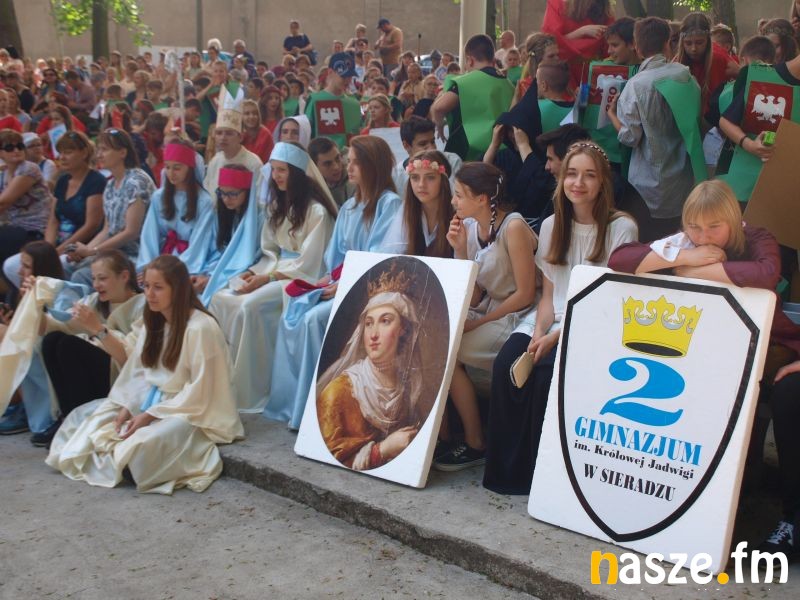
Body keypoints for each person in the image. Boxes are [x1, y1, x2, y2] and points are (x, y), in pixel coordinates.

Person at [605, 179, 800, 553]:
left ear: (732, 220)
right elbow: (621, 259)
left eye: (714, 227)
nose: (703, 235)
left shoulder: (757, 236)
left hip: (770, 348)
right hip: (708, 351)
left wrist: (688, 272)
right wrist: (684, 257)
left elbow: (766, 274)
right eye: (694, 226)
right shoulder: (685, 243)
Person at [484, 142, 637, 493]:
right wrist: (539, 333)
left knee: (545, 375)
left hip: (595, 323)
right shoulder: (552, 225)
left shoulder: (622, 228)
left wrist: (554, 338)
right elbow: (549, 295)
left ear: (603, 182)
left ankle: (546, 479)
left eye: (589, 175)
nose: (578, 183)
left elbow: (609, 302)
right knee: (507, 364)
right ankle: (509, 476)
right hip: (551, 317)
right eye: (572, 174)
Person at [46, 255, 244, 494]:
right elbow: (140, 371)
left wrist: (149, 415)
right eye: (147, 286)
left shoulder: (201, 327)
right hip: (153, 401)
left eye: (158, 287)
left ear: (178, 289)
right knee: (91, 422)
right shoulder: (154, 322)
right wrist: (128, 405)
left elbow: (202, 389)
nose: (149, 294)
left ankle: (134, 463)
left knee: (140, 446)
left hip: (189, 409)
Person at [266, 136, 402, 430]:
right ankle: (297, 404)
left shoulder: (389, 204)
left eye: (354, 162)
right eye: (347, 161)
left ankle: (319, 410)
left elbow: (382, 257)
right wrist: (323, 283)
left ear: (372, 166)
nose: (347, 168)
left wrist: (344, 285)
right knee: (294, 309)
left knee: (314, 320)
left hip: (371, 290)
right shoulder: (350, 207)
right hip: (344, 282)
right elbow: (335, 259)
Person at [209, 144, 337, 412]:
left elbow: (311, 263)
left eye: (282, 170)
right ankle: (223, 383)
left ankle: (252, 389)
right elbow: (271, 250)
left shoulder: (317, 212)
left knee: (249, 306)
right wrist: (255, 272)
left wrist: (268, 279)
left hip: (299, 279)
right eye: (274, 169)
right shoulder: (277, 205)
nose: (276, 176)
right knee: (221, 298)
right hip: (273, 270)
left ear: (297, 173)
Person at [433, 162, 537, 471]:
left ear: (482, 199)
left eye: (459, 195)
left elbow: (525, 293)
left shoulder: (513, 227)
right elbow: (475, 294)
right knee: (435, 340)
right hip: (488, 306)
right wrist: (460, 251)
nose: (454, 201)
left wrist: (477, 323)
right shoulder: (469, 227)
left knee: (452, 353)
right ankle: (442, 435)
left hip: (518, 314)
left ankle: (475, 441)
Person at [315, 267, 426, 470]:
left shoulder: (407, 387)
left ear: (403, 329)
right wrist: (381, 451)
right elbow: (327, 457)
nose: (373, 334)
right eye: (368, 323)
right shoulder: (338, 392)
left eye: (385, 321)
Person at [606, 17, 698, 242]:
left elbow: (630, 137)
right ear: (668, 43)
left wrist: (612, 116)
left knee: (650, 244)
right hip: (683, 178)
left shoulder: (636, 85)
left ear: (637, 47)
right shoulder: (684, 75)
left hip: (648, 187)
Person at [38, 250, 144, 446]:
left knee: (69, 346)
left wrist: (98, 330)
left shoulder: (142, 305)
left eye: (102, 278)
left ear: (124, 276)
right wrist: (34, 304)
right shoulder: (94, 301)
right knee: (52, 340)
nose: (96, 284)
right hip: (99, 369)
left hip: (124, 378)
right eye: (94, 278)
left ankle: (81, 422)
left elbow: (130, 360)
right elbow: (52, 325)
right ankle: (69, 419)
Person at [65, 129, 155, 286]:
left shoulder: (136, 182)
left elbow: (131, 232)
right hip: (114, 254)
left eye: (104, 149)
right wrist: (85, 251)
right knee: (66, 266)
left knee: (81, 276)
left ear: (122, 153)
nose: (99, 155)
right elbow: (107, 230)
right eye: (98, 149)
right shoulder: (111, 185)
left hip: (136, 256)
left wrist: (93, 251)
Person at [0, 240, 66, 437]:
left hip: (50, 353)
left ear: (42, 268)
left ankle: (24, 406)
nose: (19, 271)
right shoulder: (25, 289)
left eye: (26, 266)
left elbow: (53, 328)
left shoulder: (61, 292)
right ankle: (19, 402)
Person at [718, 49, 800, 202]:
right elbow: (726, 121)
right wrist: (749, 144)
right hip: (746, 189)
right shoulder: (764, 77)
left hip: (789, 195)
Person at [137, 140, 216, 277]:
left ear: (190, 168)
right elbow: (149, 235)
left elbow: (199, 242)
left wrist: (176, 270)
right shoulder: (159, 197)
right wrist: (148, 266)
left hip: (189, 263)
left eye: (177, 168)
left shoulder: (204, 201)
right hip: (161, 259)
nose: (171, 173)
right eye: (167, 167)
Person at [431, 34, 515, 161]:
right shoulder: (509, 84)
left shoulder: (466, 82)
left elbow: (438, 107)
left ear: (469, 60)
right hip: (505, 151)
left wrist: (440, 125)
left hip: (471, 154)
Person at [0, 129, 53, 292]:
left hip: (35, 229)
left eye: (20, 146)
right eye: (9, 148)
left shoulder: (29, 169)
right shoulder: (3, 174)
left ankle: (14, 296)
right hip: (15, 228)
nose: (16, 150)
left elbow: (3, 202)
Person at [381, 149, 454, 259]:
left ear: (443, 181)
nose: (421, 184)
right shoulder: (408, 211)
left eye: (430, 177)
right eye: (415, 177)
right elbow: (393, 255)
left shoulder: (457, 213)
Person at [675, 12, 739, 115]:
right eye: (688, 43)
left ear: (708, 41)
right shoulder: (676, 62)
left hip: (716, 117)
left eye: (699, 42)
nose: (694, 48)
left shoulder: (719, 58)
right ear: (682, 43)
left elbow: (744, 76)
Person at [541, 0, 615, 87]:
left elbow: (611, 44)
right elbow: (551, 42)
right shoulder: (557, 4)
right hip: (565, 73)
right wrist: (581, 32)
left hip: (594, 74)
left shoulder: (604, 7)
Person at [203, 89, 263, 195]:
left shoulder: (253, 163)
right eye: (219, 133)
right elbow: (207, 192)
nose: (223, 138)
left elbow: (257, 197)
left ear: (240, 137)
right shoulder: (215, 161)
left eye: (229, 133)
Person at [392, 116, 463, 197]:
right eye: (423, 144)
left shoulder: (452, 161)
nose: (431, 148)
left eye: (433, 142)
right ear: (406, 146)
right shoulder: (397, 175)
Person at [304, 52, 362, 148]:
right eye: (343, 76)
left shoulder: (354, 103)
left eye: (350, 76)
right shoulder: (315, 100)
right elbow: (307, 133)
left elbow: (357, 133)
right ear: (330, 72)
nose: (347, 80)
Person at [513, 33, 560, 104]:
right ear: (538, 60)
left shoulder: (562, 79)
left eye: (557, 55)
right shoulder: (526, 86)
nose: (557, 58)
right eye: (551, 56)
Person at [308, 136, 355, 207]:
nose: (336, 167)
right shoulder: (311, 187)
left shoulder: (354, 181)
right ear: (315, 168)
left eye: (337, 158)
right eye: (328, 164)